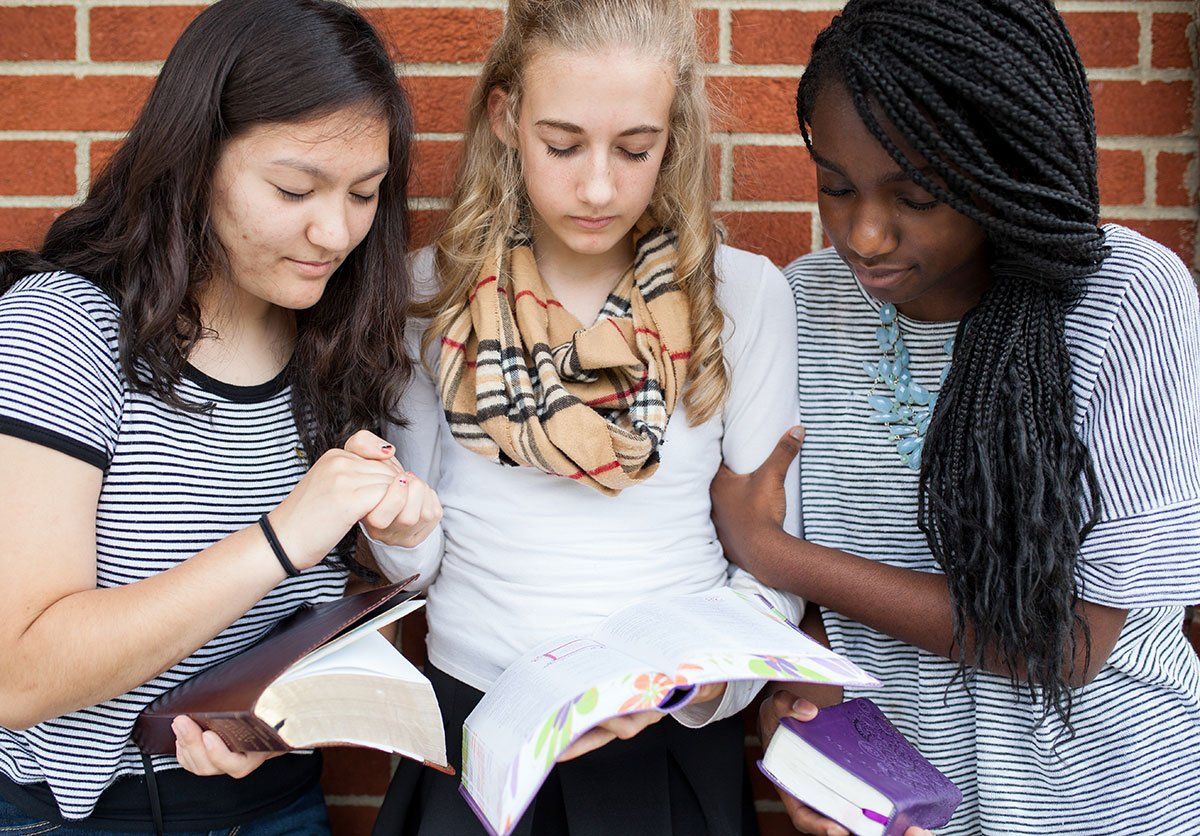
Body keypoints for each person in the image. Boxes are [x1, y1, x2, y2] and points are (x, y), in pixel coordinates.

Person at [709, 1, 1200, 834]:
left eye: (918, 194)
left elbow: (1070, 643)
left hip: (1106, 801)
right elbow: (811, 625)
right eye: (835, 185)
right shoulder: (807, 307)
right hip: (902, 804)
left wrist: (774, 552)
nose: (863, 234)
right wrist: (798, 717)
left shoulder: (1125, 300)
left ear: (1002, 167)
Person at [358, 0, 802, 832]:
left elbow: (771, 574)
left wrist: (707, 685)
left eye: (636, 149)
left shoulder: (742, 298)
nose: (598, 186)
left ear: (674, 136)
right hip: (480, 737)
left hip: (668, 744)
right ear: (506, 120)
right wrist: (398, 527)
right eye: (562, 145)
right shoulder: (429, 298)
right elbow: (410, 574)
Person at [0, 0, 441, 832]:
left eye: (364, 194)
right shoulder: (63, 330)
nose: (333, 230)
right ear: (196, 158)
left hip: (278, 806)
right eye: (293, 188)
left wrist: (277, 709)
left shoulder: (334, 344)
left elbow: (295, 625)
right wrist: (280, 539)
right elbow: (15, 673)